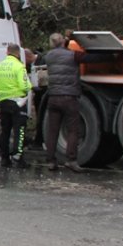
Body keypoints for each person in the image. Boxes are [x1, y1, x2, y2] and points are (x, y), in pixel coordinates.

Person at [40, 32, 84, 172]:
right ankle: (71, 160)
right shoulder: (73, 55)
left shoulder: (48, 56)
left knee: (53, 131)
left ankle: (51, 161)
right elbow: (91, 58)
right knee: (72, 130)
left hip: (53, 97)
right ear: (63, 42)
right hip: (69, 97)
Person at [0, 43, 32, 167]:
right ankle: (18, 157)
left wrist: (3, 92)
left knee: (5, 130)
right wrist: (25, 91)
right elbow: (25, 86)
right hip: (17, 102)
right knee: (19, 130)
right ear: (18, 53)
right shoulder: (19, 66)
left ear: (7, 52)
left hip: (4, 102)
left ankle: (5, 158)